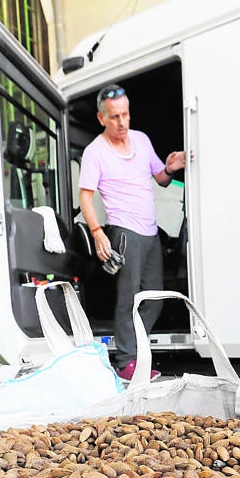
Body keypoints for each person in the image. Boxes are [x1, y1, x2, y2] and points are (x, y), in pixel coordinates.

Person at [78, 82, 186, 381]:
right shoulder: (94, 152)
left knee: (154, 299)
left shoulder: (140, 139)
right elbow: (85, 195)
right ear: (102, 118)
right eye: (114, 116)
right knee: (128, 299)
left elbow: (160, 179)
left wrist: (172, 167)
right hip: (123, 233)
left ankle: (137, 355)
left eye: (125, 114)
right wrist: (98, 232)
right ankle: (127, 362)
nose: (122, 122)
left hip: (151, 233)